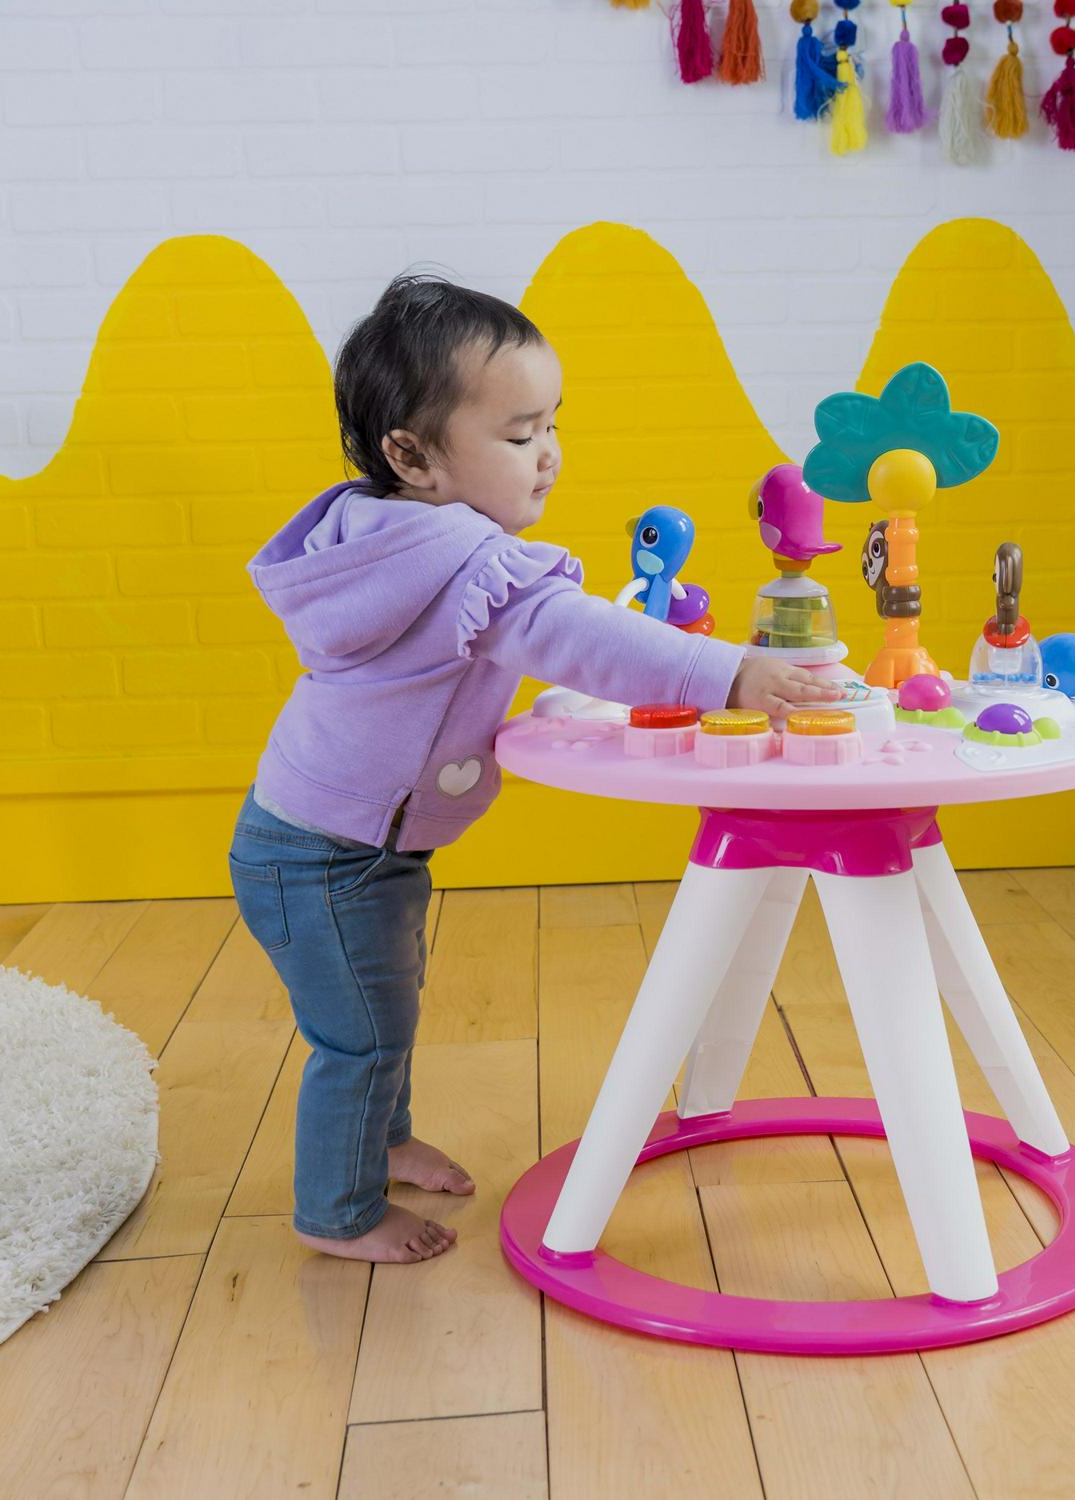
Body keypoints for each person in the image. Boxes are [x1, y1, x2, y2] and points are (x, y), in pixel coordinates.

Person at [227, 274, 841, 1264]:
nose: (549, 451)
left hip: (322, 840)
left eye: (553, 424)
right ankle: (336, 1212)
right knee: (362, 1035)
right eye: (519, 435)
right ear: (411, 455)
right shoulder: (469, 564)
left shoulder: (379, 537)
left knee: (384, 1005)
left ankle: (382, 1139)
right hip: (328, 857)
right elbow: (579, 635)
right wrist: (728, 673)